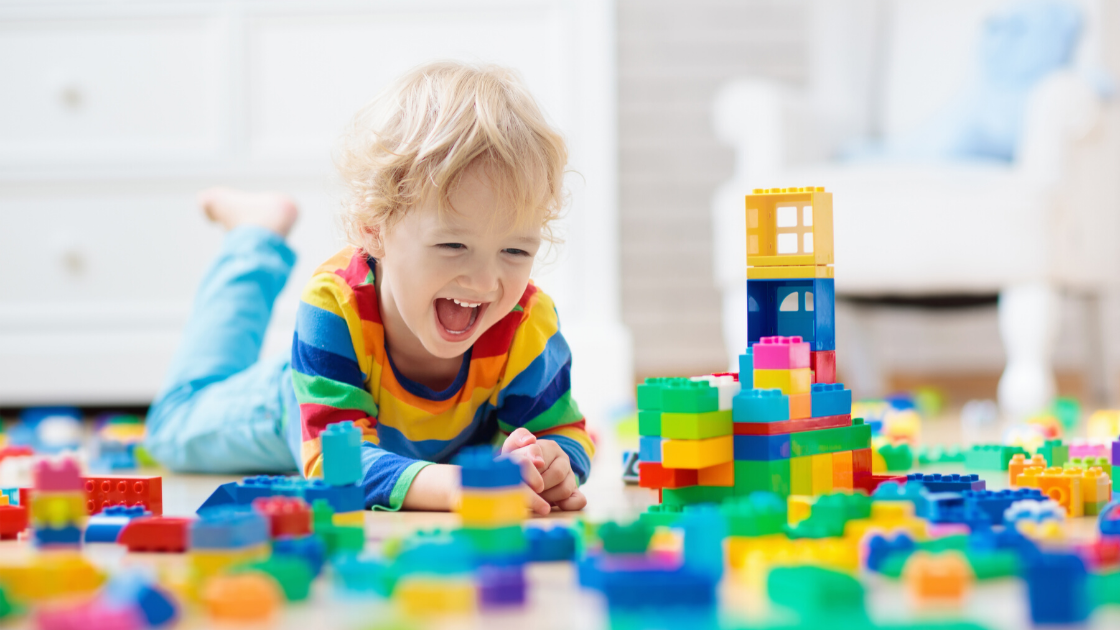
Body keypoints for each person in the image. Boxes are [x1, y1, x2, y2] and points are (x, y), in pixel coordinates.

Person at [145, 62, 592, 515]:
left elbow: (566, 432)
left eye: (515, 251)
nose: (484, 282)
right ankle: (254, 239)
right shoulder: (333, 306)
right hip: (295, 401)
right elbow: (335, 463)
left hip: (395, 439)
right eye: (453, 244)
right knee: (173, 425)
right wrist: (460, 486)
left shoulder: (526, 323)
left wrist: (554, 464)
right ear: (374, 228)